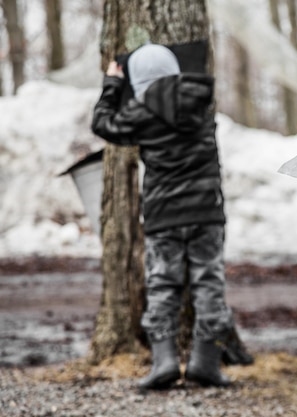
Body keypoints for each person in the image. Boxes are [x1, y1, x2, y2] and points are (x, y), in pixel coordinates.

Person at [91, 43, 235, 390]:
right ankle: (205, 363)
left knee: (163, 284)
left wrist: (112, 84)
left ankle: (165, 361)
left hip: (163, 215)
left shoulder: (140, 113)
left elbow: (103, 124)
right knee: (209, 285)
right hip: (206, 212)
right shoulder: (202, 102)